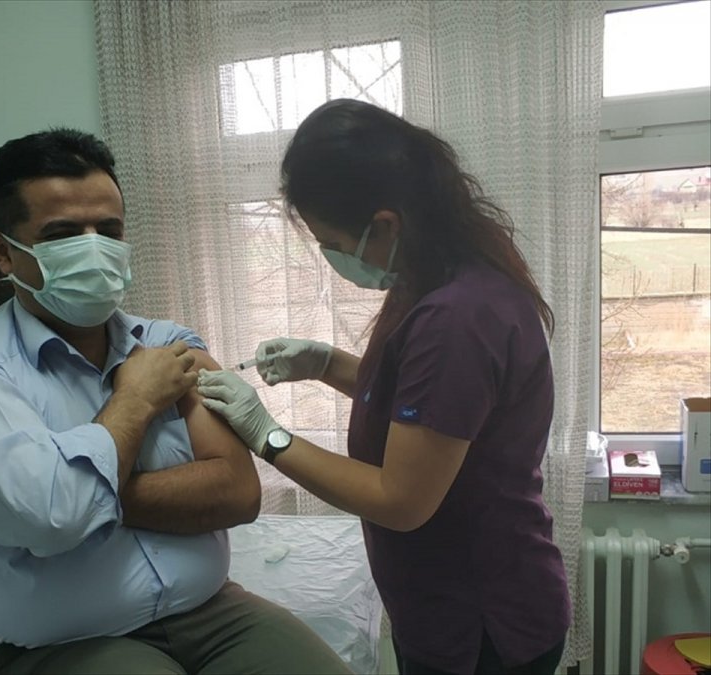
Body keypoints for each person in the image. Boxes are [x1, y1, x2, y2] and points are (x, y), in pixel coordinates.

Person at [0, 128, 351, 675]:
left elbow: (237, 494)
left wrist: (75, 491)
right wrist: (136, 399)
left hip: (210, 611)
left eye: (109, 230)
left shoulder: (170, 343)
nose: (94, 248)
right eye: (63, 234)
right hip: (64, 642)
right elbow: (50, 522)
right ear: (3, 251)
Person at [198, 99, 570, 675]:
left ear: (386, 224)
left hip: (482, 624)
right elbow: (431, 406)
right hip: (451, 603)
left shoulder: (456, 318)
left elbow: (401, 500)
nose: (332, 257)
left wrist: (266, 435)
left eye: (332, 242)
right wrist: (325, 364)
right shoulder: (442, 273)